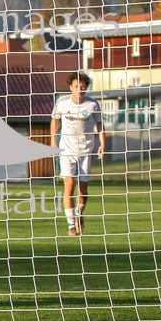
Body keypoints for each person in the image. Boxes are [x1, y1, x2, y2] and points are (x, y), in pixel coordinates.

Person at [50, 71, 106, 235]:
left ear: (86, 88)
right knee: (69, 185)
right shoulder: (62, 102)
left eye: (82, 87)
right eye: (76, 86)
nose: (79, 90)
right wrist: (53, 141)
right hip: (67, 149)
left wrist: (103, 144)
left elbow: (100, 124)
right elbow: (55, 120)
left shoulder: (92, 104)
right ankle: (70, 226)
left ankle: (79, 213)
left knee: (82, 190)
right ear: (71, 87)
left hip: (86, 150)